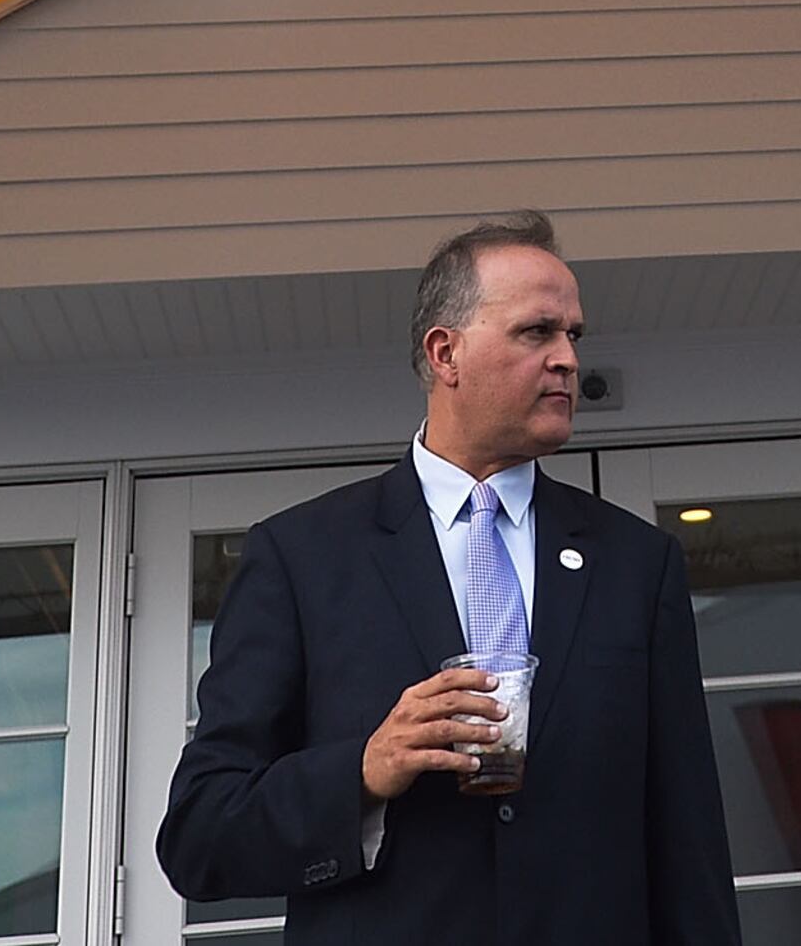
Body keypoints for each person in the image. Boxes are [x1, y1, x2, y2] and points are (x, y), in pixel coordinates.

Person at [159, 211, 740, 944]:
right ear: (446, 352)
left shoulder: (636, 563)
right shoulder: (303, 557)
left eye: (573, 336)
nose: (566, 358)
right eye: (537, 332)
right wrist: (364, 771)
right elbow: (200, 834)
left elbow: (689, 840)